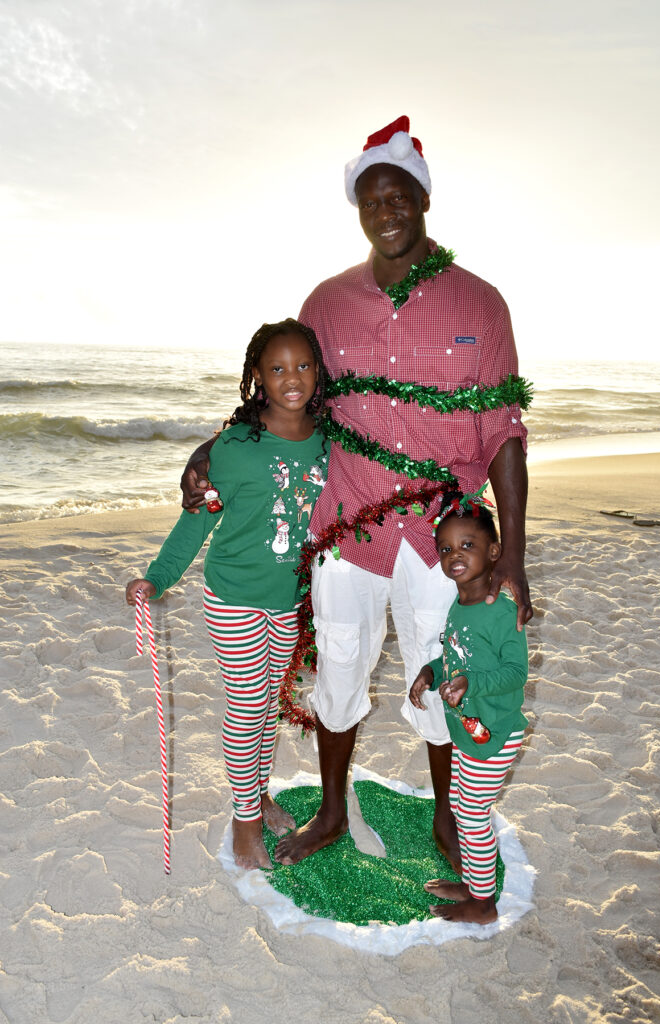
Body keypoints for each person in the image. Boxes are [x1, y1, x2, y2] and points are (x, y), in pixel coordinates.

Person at [181, 116, 532, 869]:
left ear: (422, 198)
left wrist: (516, 556)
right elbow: (287, 399)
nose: (386, 209)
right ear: (359, 209)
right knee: (338, 673)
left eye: (398, 194)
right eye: (371, 198)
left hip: (446, 540)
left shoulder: (480, 304)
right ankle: (333, 812)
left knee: (445, 675)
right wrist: (215, 447)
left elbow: (504, 429)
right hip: (346, 528)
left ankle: (447, 817)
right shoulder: (327, 303)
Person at [126, 319, 329, 870]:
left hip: (289, 600)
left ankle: (257, 795)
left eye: (303, 365)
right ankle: (243, 825)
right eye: (278, 368)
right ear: (258, 378)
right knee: (244, 709)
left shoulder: (329, 444)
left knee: (267, 711)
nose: (293, 378)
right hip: (233, 598)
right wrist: (157, 577)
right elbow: (195, 522)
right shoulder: (235, 448)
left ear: (319, 370)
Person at [409, 490, 528, 924]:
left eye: (467, 545)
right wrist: (432, 671)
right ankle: (476, 885)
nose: (454, 555)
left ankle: (483, 904)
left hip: (494, 731)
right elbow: (457, 658)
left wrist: (470, 683)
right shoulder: (460, 604)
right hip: (467, 729)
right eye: (445, 548)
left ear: (494, 551)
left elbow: (516, 672)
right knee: (462, 806)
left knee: (473, 815)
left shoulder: (500, 610)